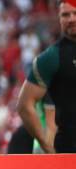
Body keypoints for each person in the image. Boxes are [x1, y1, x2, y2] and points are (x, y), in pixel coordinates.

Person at [17, 0, 76, 153]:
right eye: (65, 15)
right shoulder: (51, 57)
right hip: (68, 153)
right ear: (59, 18)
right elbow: (24, 105)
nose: (71, 19)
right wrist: (47, 146)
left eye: (75, 13)